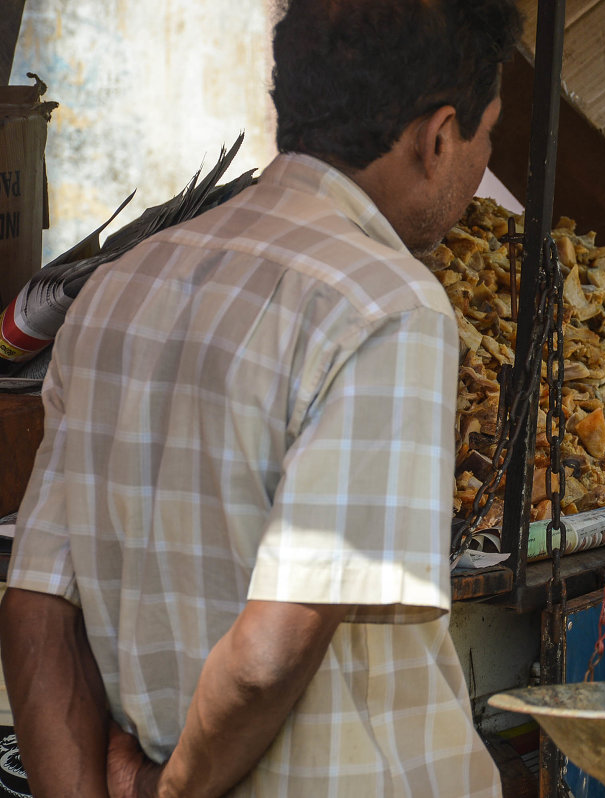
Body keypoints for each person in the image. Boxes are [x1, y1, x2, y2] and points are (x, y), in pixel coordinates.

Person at [0, 1, 520, 796]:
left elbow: (37, 607)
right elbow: (270, 650)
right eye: (488, 136)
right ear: (440, 134)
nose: (482, 162)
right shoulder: (387, 305)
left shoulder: (116, 293)